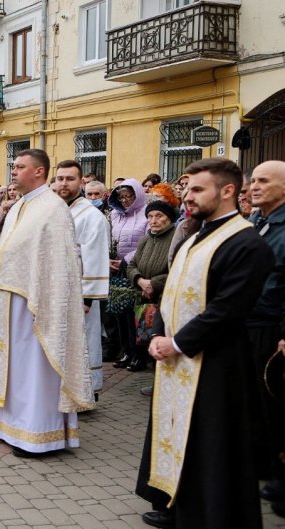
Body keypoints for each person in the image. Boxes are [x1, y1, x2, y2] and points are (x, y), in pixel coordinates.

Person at [135, 158, 273, 529]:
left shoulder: (246, 243)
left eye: (197, 189)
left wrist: (177, 343)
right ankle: (176, 504)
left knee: (212, 445)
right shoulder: (196, 235)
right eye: (187, 189)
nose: (187, 196)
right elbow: (173, 294)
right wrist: (159, 336)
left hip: (217, 362)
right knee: (182, 434)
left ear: (227, 191)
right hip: (178, 357)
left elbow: (228, 309)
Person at [0, 148, 95, 457]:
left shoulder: (53, 208)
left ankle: (38, 434)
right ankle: (12, 428)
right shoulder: (19, 206)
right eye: (13, 166)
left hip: (37, 304)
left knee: (35, 369)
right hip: (12, 302)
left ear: (39, 172)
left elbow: (58, 266)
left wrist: (46, 303)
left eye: (20, 167)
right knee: (16, 369)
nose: (13, 172)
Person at [246, 160, 285, 505]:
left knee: (275, 404)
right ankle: (264, 465)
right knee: (256, 402)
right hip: (250, 322)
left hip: (273, 327)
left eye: (263, 181)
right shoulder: (257, 221)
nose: (254, 186)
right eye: (253, 180)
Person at [55, 160, 111, 399]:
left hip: (81, 294)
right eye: (60, 178)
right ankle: (64, 391)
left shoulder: (91, 216)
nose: (64, 183)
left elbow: (96, 258)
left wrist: (87, 299)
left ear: (81, 182)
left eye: (70, 178)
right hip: (58, 290)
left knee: (84, 342)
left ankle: (86, 392)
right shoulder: (57, 210)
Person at [124, 201, 178, 372]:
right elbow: (132, 265)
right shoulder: (145, 239)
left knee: (161, 339)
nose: (153, 220)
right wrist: (140, 281)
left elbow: (177, 269)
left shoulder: (176, 238)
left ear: (169, 218)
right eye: (150, 216)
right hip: (143, 297)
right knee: (144, 338)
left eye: (158, 216)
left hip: (163, 298)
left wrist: (153, 284)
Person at [108, 179, 148, 370]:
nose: (124, 201)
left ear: (137, 195)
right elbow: (109, 239)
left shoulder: (145, 214)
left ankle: (138, 354)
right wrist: (109, 258)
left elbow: (146, 242)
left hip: (135, 267)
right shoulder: (115, 215)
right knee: (119, 312)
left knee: (134, 314)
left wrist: (126, 260)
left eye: (128, 197)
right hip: (116, 268)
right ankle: (126, 351)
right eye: (121, 197)